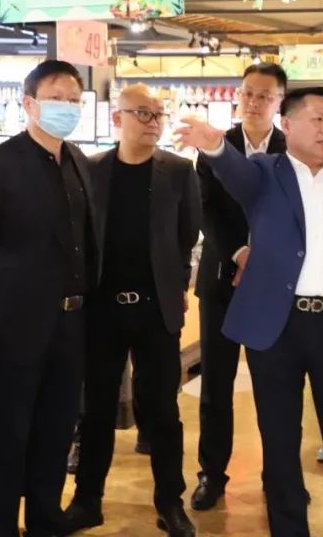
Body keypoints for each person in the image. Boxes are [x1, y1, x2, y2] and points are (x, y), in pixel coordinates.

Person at [175, 87, 323, 537]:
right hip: (278, 327)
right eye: (316, 119)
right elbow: (232, 171)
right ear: (286, 125)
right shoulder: (265, 174)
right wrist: (213, 143)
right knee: (280, 441)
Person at [0, 60, 95, 537]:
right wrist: (10, 288)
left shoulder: (77, 162)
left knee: (56, 431)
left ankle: (45, 520)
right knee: (8, 434)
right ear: (29, 104)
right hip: (15, 325)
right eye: (56, 98)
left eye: (74, 100)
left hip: (71, 324)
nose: (67, 107)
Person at [67, 84, 201, 537]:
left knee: (162, 410)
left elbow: (187, 234)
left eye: (158, 114)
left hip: (155, 309)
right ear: (117, 118)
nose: (152, 122)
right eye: (142, 113)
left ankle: (170, 503)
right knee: (96, 408)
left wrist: (176, 283)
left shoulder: (178, 171)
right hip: (102, 308)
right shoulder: (91, 170)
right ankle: (87, 501)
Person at [191, 63, 287, 510]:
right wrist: (239, 251)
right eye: (248, 92)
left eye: (264, 95)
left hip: (274, 287)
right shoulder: (216, 145)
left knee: (277, 385)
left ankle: (280, 476)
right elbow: (205, 210)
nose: (253, 102)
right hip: (221, 280)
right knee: (216, 384)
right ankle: (211, 475)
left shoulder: (291, 148)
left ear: (279, 101)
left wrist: (263, 254)